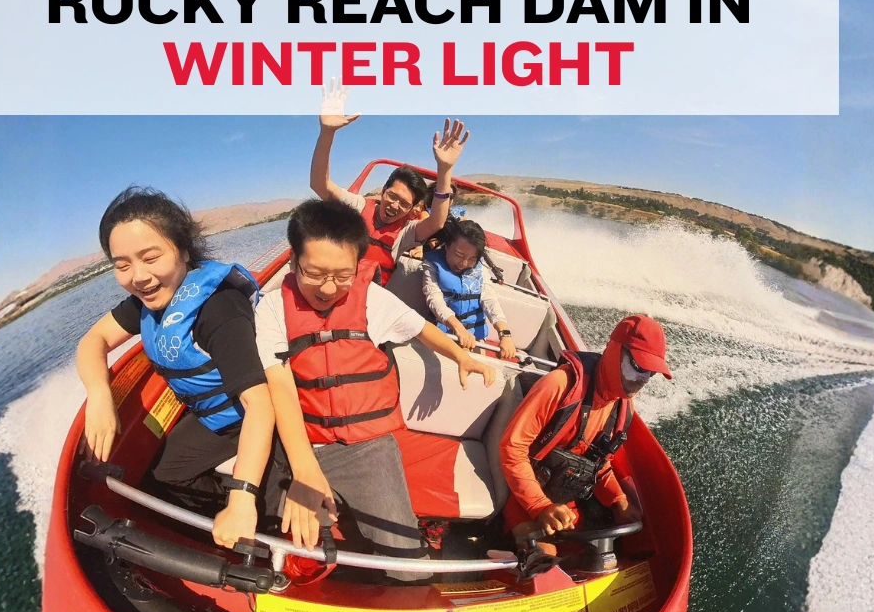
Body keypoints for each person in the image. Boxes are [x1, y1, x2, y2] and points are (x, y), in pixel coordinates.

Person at [254, 199, 496, 580]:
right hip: (298, 439)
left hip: (366, 447)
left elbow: (420, 328)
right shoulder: (271, 309)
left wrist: (459, 356)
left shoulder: (371, 300)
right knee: (279, 550)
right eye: (314, 273)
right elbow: (280, 388)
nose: (328, 288)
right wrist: (304, 469)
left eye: (342, 275)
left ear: (357, 266)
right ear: (292, 262)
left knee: (408, 568)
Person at [76, 186, 275, 549]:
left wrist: (242, 498)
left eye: (151, 257)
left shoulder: (218, 309)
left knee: (266, 505)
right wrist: (99, 396)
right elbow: (93, 340)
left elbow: (259, 404)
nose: (138, 276)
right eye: (122, 265)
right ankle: (217, 518)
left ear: (183, 250)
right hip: (211, 416)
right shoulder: (147, 301)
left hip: (251, 419)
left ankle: (258, 519)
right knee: (164, 474)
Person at [499, 315, 671, 569]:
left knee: (601, 565)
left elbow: (598, 465)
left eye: (651, 373)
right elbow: (512, 448)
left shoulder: (623, 409)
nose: (642, 380)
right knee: (548, 569)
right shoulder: (559, 385)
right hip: (524, 498)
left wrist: (618, 500)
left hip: (568, 507)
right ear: (614, 352)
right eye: (638, 367)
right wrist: (540, 506)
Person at [309, 80, 468, 285]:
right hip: (333, 285)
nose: (395, 205)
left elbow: (437, 221)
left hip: (368, 296)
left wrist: (445, 169)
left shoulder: (406, 232)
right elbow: (319, 184)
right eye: (392, 196)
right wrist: (327, 132)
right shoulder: (357, 206)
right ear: (383, 191)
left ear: (411, 209)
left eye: (404, 204)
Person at [422, 219, 517, 360]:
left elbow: (489, 299)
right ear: (447, 246)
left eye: (472, 258)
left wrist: (505, 334)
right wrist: (459, 329)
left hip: (474, 337)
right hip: (442, 334)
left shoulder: (480, 269)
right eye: (459, 254)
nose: (464, 263)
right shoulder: (432, 265)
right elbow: (434, 299)